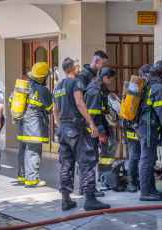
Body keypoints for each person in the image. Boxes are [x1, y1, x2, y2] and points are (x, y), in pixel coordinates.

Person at [53, 57, 111, 211]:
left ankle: (66, 199)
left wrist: (61, 127)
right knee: (87, 163)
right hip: (76, 130)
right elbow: (80, 102)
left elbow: (54, 111)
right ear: (74, 69)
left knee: (66, 165)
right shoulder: (76, 83)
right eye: (78, 68)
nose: (79, 70)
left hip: (63, 130)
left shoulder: (57, 86)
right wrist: (92, 123)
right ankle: (90, 199)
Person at [134, 60, 162, 201]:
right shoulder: (159, 87)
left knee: (151, 158)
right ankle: (145, 192)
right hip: (148, 128)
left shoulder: (151, 84)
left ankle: (151, 189)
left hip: (146, 127)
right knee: (147, 159)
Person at [9, 62, 53, 188]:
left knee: (22, 150)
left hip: (21, 124)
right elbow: (49, 109)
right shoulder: (43, 90)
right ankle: (32, 180)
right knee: (33, 151)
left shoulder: (22, 87)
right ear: (42, 78)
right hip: (34, 126)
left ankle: (22, 177)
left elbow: (10, 102)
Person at [84, 67, 117, 184]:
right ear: (105, 78)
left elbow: (100, 112)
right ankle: (92, 182)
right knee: (92, 157)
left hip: (97, 128)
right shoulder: (95, 92)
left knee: (105, 149)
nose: (111, 84)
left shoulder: (98, 89)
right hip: (92, 130)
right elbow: (93, 115)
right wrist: (101, 132)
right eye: (111, 81)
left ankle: (103, 176)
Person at [125, 64, 152, 193]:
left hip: (140, 127)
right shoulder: (137, 88)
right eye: (149, 74)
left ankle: (141, 181)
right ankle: (131, 181)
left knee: (142, 156)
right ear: (143, 75)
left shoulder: (147, 87)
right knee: (135, 155)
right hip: (133, 128)